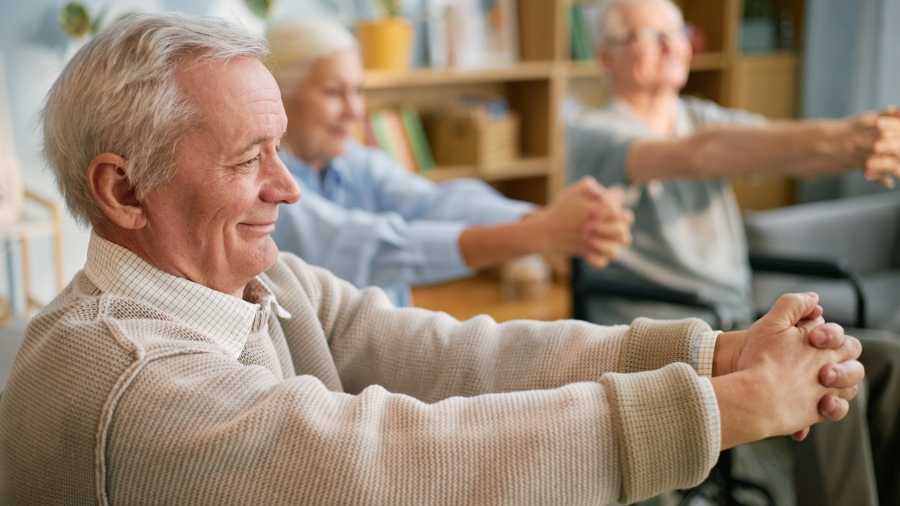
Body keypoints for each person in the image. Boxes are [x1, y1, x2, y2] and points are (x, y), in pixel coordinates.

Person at [0, 13, 863, 506]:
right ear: (123, 192)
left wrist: (711, 355)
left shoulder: (265, 282)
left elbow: (451, 358)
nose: (288, 188)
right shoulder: (130, 380)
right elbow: (389, 462)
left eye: (281, 151)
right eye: (245, 160)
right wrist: (723, 408)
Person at [565, 0, 900, 504]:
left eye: (677, 32)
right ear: (607, 56)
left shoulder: (699, 115)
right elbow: (703, 154)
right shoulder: (592, 133)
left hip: (739, 321)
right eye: (649, 35)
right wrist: (846, 138)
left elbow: (770, 145)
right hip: (667, 332)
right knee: (822, 376)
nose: (672, 45)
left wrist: (863, 141)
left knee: (889, 361)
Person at [265, 19, 633, 307]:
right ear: (279, 94)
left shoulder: (356, 162)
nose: (356, 111)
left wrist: (546, 219)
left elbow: (437, 201)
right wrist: (541, 233)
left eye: (358, 91)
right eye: (333, 92)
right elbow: (378, 250)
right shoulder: (265, 190)